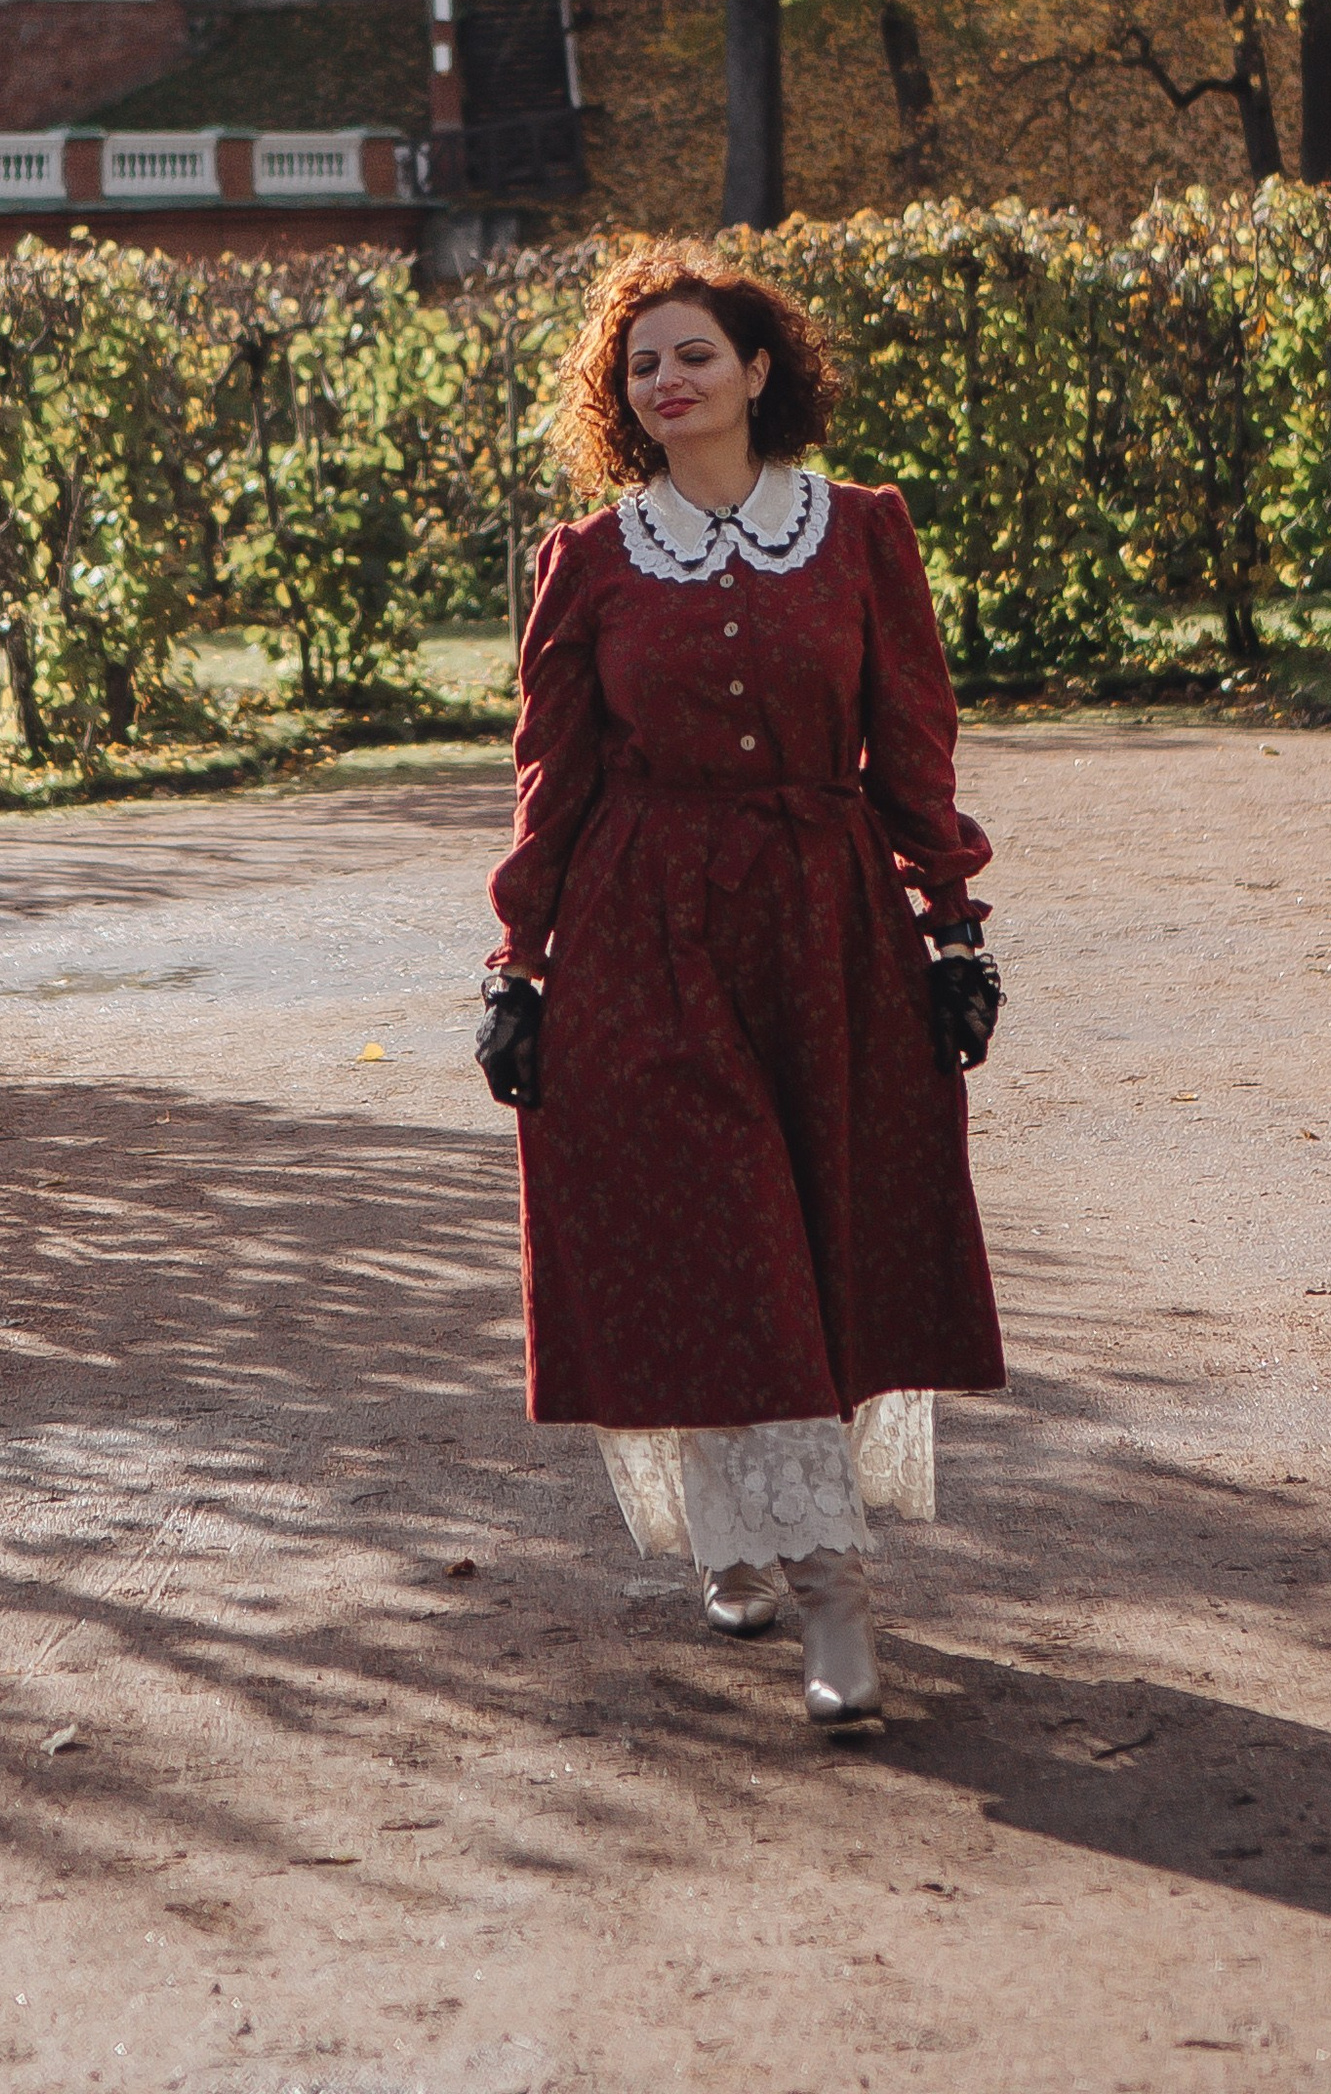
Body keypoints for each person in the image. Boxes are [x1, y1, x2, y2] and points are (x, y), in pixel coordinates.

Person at [475, 243, 1006, 1727]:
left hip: (826, 929)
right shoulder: (589, 562)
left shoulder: (857, 536)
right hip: (647, 934)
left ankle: (754, 1545)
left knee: (819, 1245)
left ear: (760, 371)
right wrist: (519, 963)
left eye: (694, 352)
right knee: (723, 1241)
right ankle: (828, 1590)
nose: (669, 379)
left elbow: (911, 743)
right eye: (641, 363)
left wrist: (952, 924)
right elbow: (553, 783)